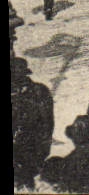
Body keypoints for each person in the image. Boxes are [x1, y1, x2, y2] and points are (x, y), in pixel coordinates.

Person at [12, 56, 56, 191]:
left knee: (28, 180)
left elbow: (47, 123)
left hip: (32, 147)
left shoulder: (39, 91)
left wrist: (41, 148)